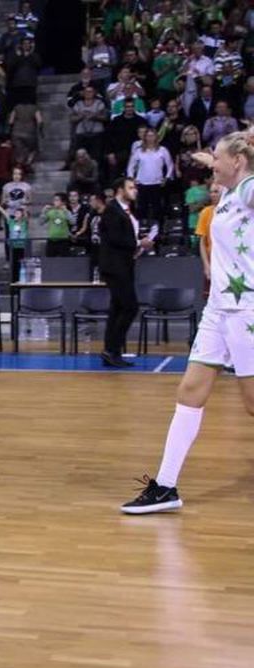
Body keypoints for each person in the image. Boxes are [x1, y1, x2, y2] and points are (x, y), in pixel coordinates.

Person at [122, 132, 254, 514]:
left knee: (251, 404)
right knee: (190, 391)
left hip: (246, 310)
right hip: (218, 310)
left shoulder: (247, 189)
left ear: (238, 163)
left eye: (218, 159)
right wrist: (211, 157)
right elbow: (222, 163)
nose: (213, 164)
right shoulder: (226, 195)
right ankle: (165, 486)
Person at [98, 177, 153, 368]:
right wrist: (139, 243)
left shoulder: (128, 211)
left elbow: (125, 238)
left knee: (118, 308)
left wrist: (138, 244)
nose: (135, 190)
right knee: (130, 307)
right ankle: (112, 349)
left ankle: (110, 350)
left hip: (125, 265)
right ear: (120, 190)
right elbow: (115, 238)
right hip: (114, 267)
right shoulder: (112, 210)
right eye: (131, 187)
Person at [127, 129, 175, 223]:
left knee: (157, 207)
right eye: (148, 136)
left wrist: (167, 177)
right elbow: (131, 166)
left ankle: (158, 229)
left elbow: (170, 165)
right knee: (141, 207)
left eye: (152, 135)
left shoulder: (162, 150)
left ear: (156, 137)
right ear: (145, 137)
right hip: (142, 183)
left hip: (157, 183)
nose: (150, 138)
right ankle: (142, 227)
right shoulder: (139, 151)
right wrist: (132, 179)